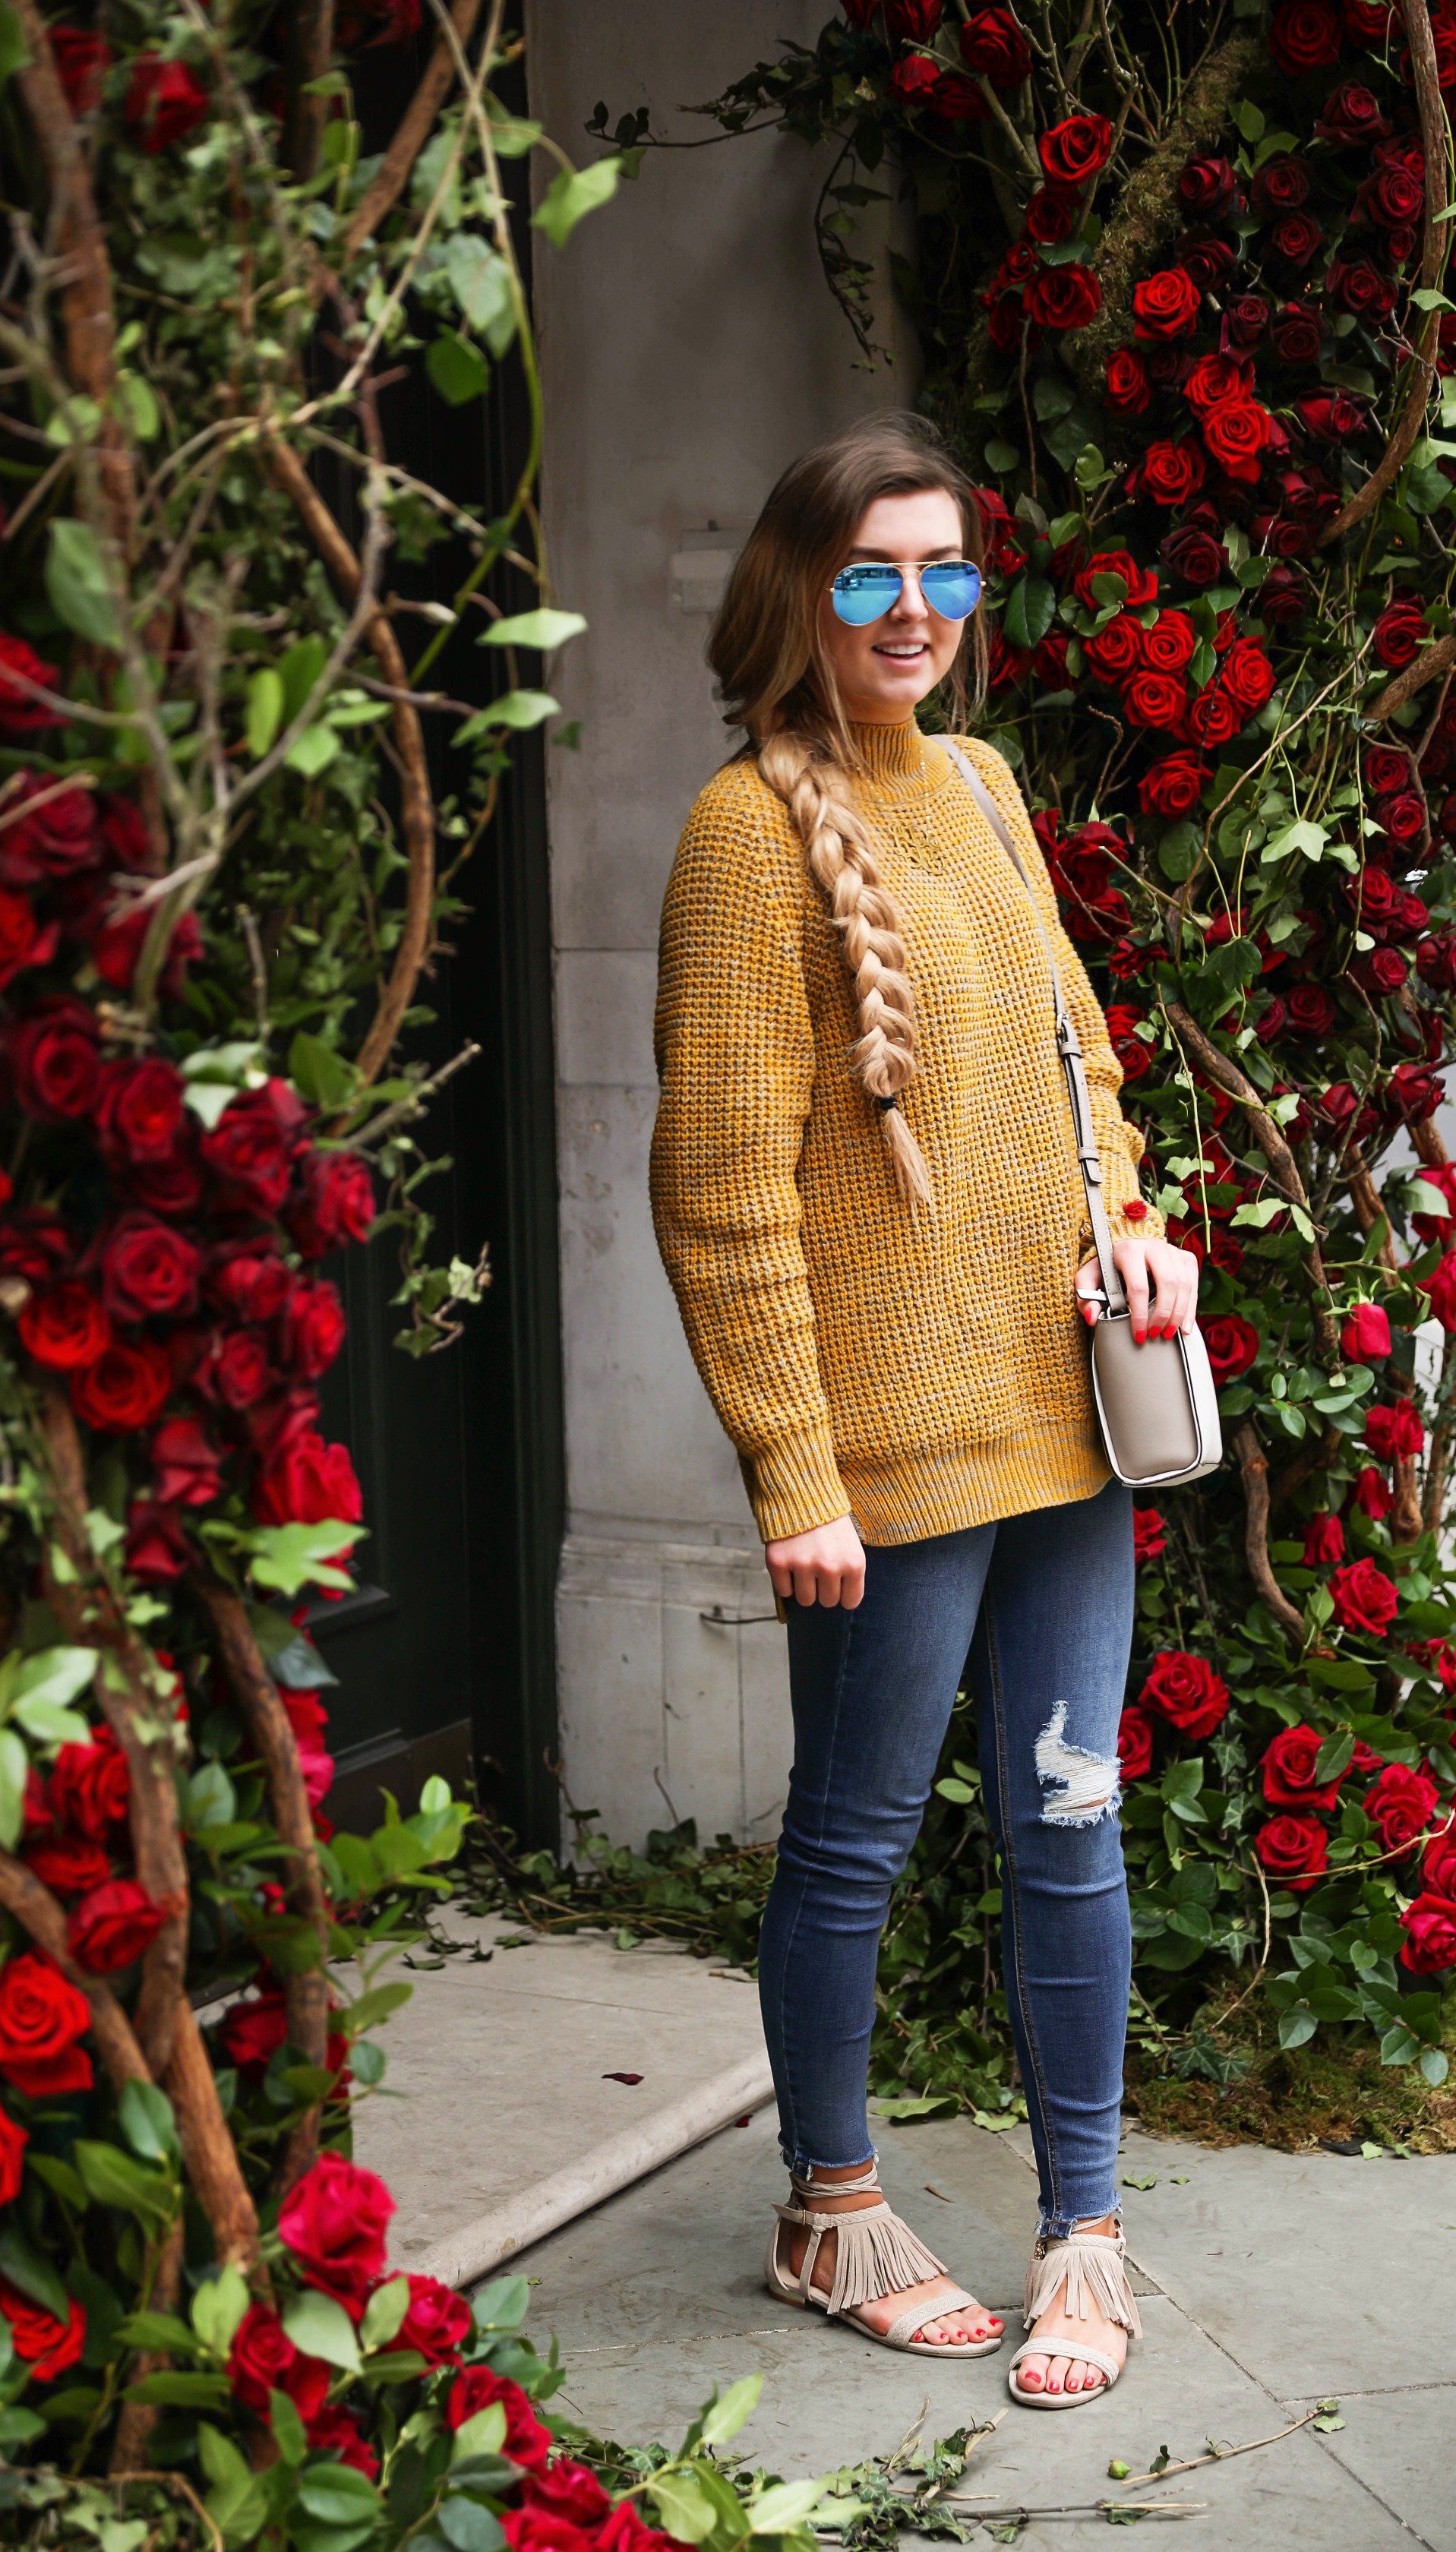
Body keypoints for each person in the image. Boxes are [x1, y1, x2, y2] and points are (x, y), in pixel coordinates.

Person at [647, 416, 1198, 2408]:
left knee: (1075, 1825)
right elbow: (722, 1199)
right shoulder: (738, 838)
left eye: (944, 571)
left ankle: (1085, 2235)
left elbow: (1086, 1076)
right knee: (857, 1846)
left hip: (1064, 1420)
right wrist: (794, 1472)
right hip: (883, 1468)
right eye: (871, 573)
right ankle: (833, 2202)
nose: (912, 611)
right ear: (797, 591)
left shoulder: (975, 786)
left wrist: (1134, 1231)